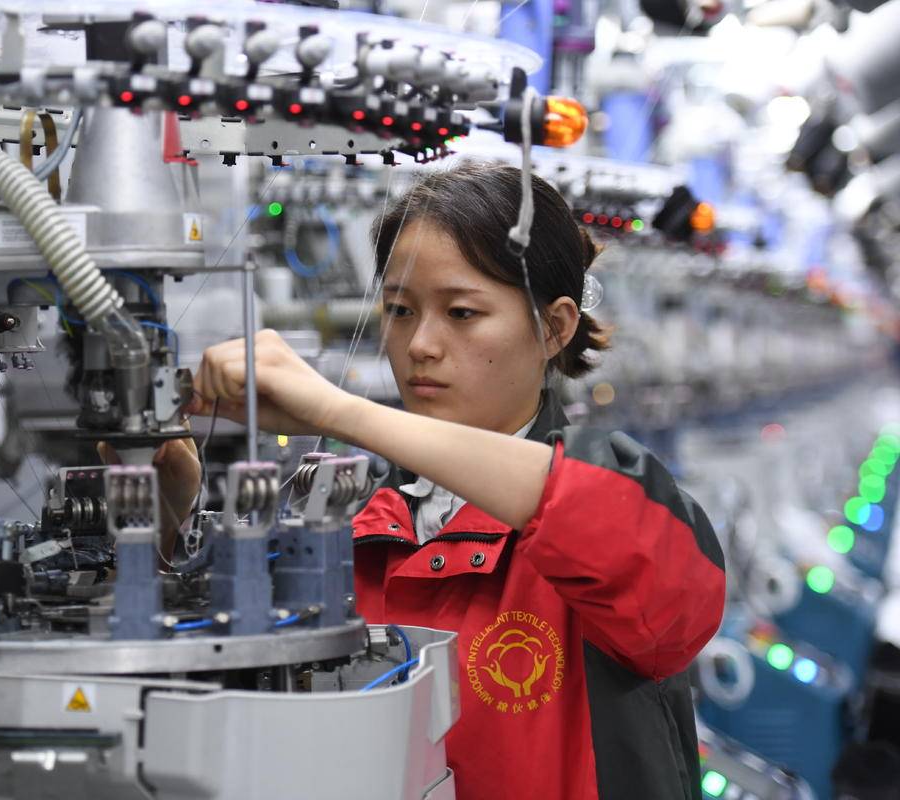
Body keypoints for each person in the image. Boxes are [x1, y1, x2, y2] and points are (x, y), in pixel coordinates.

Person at [185, 161, 726, 800]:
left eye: (462, 313)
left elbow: (592, 521)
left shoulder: (618, 503)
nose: (420, 344)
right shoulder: (356, 517)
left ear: (554, 328)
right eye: (399, 310)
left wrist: (340, 411)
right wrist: (170, 510)